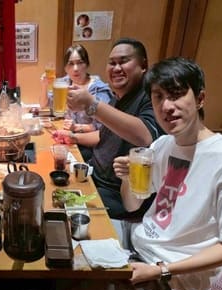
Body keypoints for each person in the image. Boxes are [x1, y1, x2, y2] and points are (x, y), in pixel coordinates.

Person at [69, 57, 222, 290]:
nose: (166, 106)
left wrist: (161, 270)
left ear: (200, 98)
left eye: (176, 94)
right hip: (138, 237)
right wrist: (127, 178)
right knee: (67, 242)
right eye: (158, 97)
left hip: (173, 277)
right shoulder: (163, 145)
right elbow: (132, 205)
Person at [66, 38, 162, 244]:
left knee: (61, 208)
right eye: (112, 63)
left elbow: (144, 136)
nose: (116, 68)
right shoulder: (119, 97)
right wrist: (72, 137)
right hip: (95, 174)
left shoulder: (149, 96)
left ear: (143, 65)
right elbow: (104, 135)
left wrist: (92, 104)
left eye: (124, 61)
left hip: (117, 193)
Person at [41, 45, 111, 162]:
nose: (75, 68)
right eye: (71, 64)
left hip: (89, 146)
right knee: (44, 152)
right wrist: (44, 85)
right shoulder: (64, 83)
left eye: (80, 63)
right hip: (68, 137)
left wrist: (78, 127)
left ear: (87, 64)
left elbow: (104, 129)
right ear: (65, 68)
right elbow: (44, 104)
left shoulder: (99, 89)